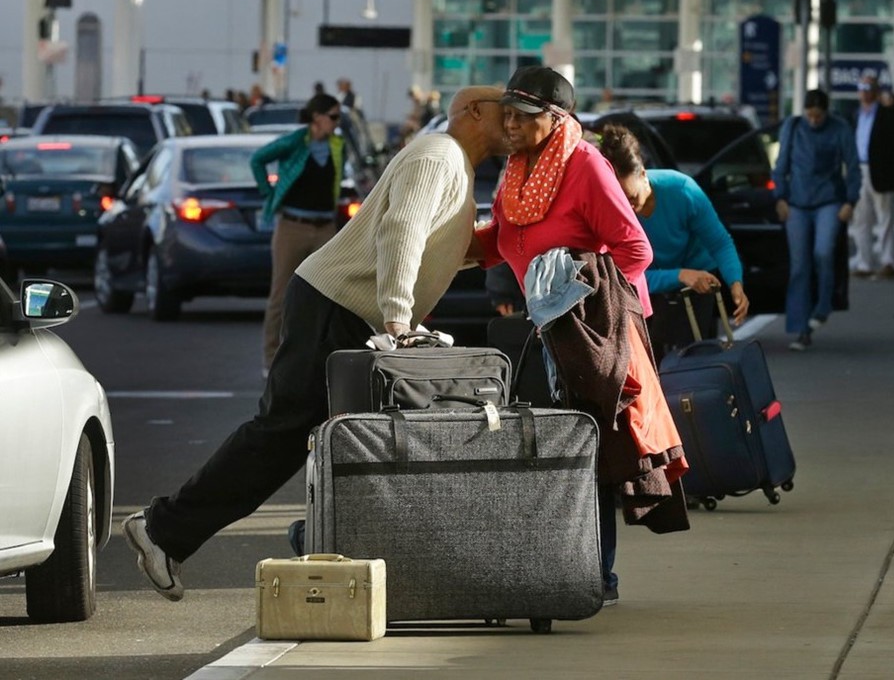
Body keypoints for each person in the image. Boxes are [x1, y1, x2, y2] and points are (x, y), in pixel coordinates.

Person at [122, 85, 510, 602]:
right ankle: (163, 529)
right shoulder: (440, 153)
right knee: (283, 431)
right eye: (506, 115)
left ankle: (298, 544)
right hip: (340, 305)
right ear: (474, 112)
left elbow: (434, 243)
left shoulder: (452, 163)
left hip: (345, 308)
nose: (514, 126)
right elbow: (401, 231)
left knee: (338, 441)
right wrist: (398, 321)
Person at [472, 66, 687, 607]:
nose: (511, 124)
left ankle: (598, 576)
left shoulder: (585, 165)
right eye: (508, 113)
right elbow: (502, 239)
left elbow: (636, 249)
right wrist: (447, 247)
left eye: (523, 115)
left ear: (556, 118)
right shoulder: (518, 169)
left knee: (589, 454)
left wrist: (606, 312)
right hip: (543, 329)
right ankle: (558, 567)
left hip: (588, 330)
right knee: (551, 453)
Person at [597, 124, 750, 359]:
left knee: (696, 362)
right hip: (648, 285)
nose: (628, 207)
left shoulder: (681, 189)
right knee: (651, 365)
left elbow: (719, 243)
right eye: (620, 200)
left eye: (632, 198)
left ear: (644, 175)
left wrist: (735, 282)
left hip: (698, 278)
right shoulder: (609, 208)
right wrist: (678, 275)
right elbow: (621, 277)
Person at [250, 93, 345, 377]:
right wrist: (269, 195)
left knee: (330, 294)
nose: (336, 124)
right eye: (333, 117)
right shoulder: (296, 141)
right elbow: (258, 159)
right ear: (317, 117)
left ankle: (321, 358)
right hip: (292, 226)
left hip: (325, 227)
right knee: (281, 294)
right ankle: (271, 360)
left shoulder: (337, 146)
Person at [773, 89, 861, 352]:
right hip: (797, 203)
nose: (813, 121)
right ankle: (802, 328)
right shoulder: (793, 126)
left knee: (823, 253)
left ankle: (823, 306)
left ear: (826, 112)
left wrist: (850, 200)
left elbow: (853, 165)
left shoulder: (839, 129)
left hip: (829, 201)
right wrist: (780, 196)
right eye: (810, 115)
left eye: (818, 116)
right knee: (800, 266)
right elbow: (781, 164)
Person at [849, 74, 894, 279]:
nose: (864, 92)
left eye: (868, 88)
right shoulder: (856, 114)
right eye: (861, 87)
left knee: (884, 218)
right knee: (860, 218)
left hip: (880, 172)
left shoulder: (887, 114)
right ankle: (864, 262)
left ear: (876, 91)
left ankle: (888, 261)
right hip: (859, 169)